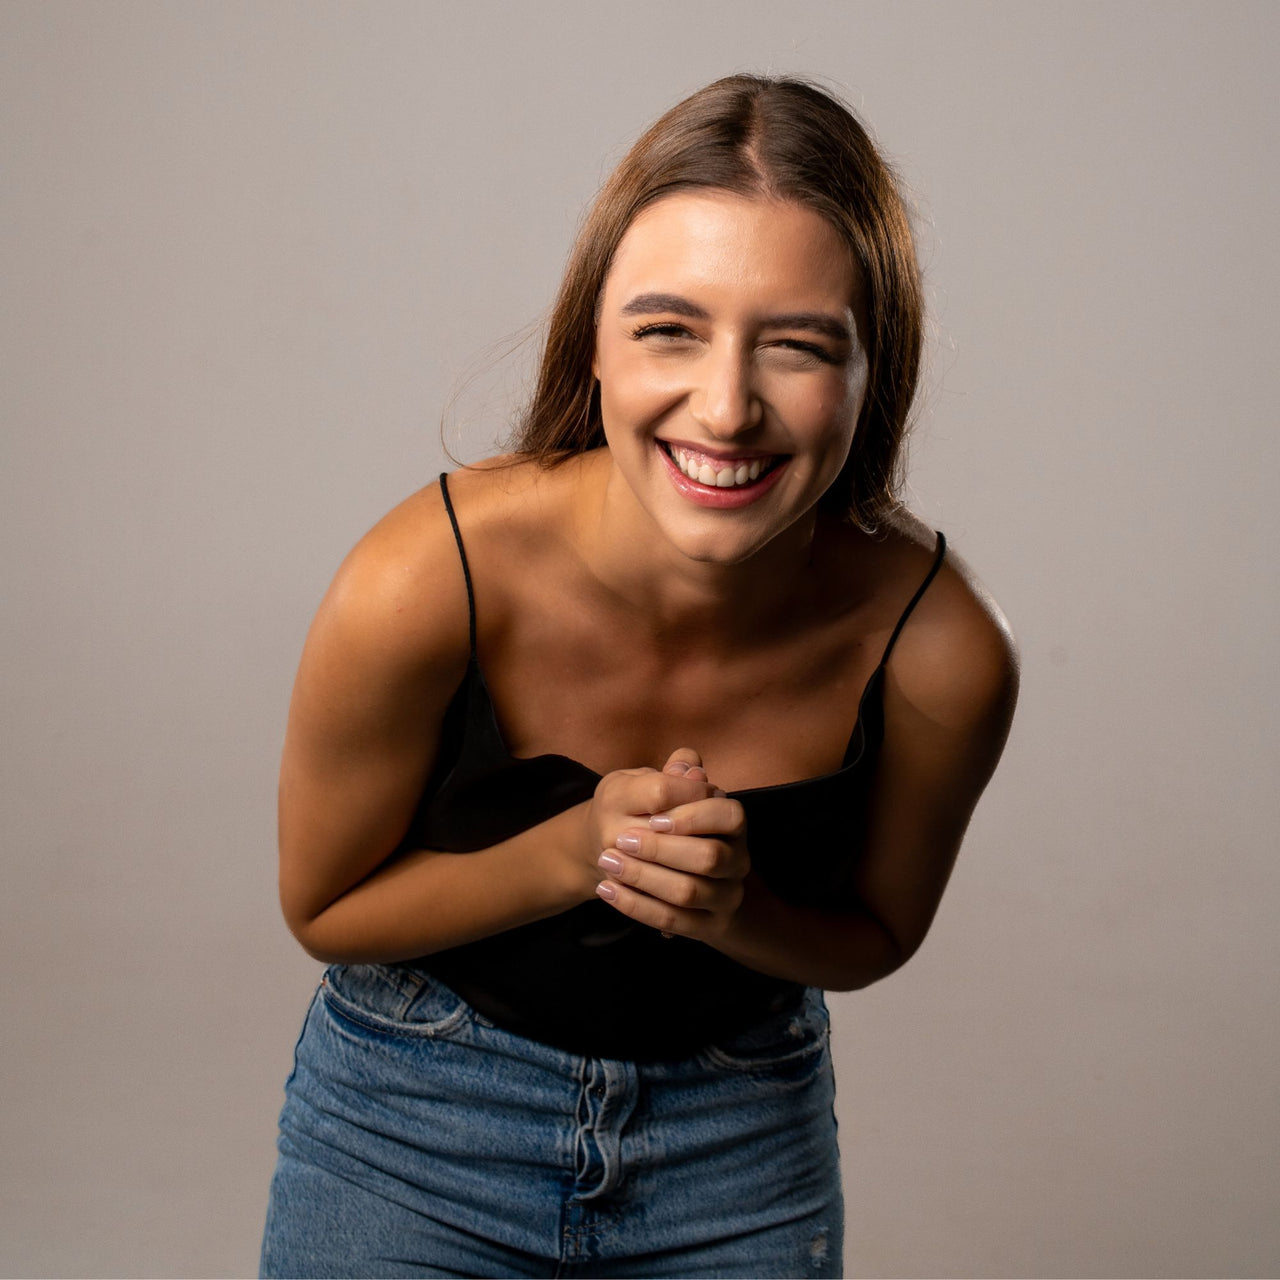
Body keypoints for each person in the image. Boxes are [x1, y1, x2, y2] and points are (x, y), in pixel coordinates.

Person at [260, 73, 1018, 1279]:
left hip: (737, 1148)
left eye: (798, 345)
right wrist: (575, 853)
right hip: (412, 1125)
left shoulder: (939, 648)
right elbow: (323, 907)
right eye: (669, 328)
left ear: (874, 373)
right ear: (594, 344)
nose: (724, 408)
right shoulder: (424, 576)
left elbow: (874, 931)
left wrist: (735, 909)